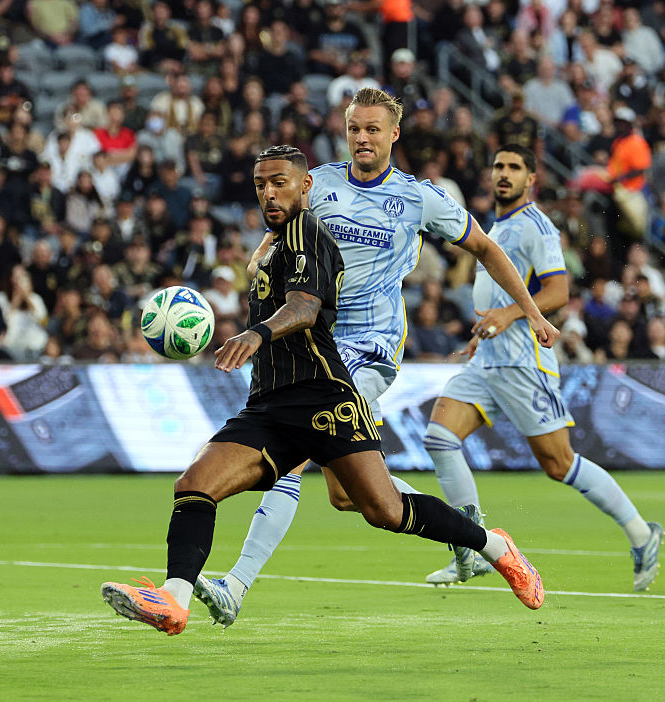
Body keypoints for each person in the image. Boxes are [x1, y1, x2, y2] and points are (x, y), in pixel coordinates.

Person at [100, 146, 547, 635]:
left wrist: (257, 334)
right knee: (194, 484)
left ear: (306, 185)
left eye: (280, 183)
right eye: (261, 185)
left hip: (323, 398)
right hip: (270, 402)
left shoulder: (310, 234)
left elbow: (305, 308)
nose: (269, 193)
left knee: (385, 509)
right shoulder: (276, 243)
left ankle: (494, 546)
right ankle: (174, 599)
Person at [193, 89, 558, 627]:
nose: (362, 138)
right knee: (351, 495)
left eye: (372, 129)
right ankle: (480, 539)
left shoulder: (419, 198)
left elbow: (484, 247)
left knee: (293, 452)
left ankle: (235, 585)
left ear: (394, 134)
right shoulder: (319, 184)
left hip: (369, 348)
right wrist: (262, 256)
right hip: (314, 345)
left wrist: (532, 312)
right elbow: (278, 235)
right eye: (354, 129)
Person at [419, 145, 664, 591]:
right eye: (498, 166)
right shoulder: (494, 226)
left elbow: (558, 292)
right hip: (488, 359)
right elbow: (495, 297)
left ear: (531, 179)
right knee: (439, 438)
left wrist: (507, 315)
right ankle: (470, 548)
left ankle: (641, 534)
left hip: (524, 362)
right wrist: (483, 330)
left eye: (514, 167)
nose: (504, 173)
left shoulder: (537, 226)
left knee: (559, 463)